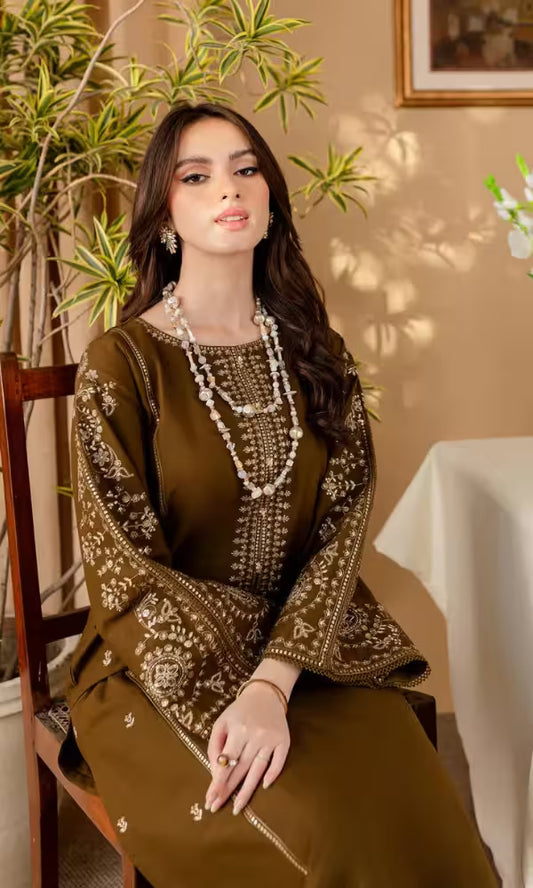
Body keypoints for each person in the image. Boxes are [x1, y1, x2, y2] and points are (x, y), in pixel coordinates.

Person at [58, 102, 499, 887]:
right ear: (166, 211)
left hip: (302, 656)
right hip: (154, 665)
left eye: (245, 168)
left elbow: (338, 534)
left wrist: (272, 682)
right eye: (197, 175)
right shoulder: (120, 366)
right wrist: (243, 688)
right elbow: (125, 573)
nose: (227, 187)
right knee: (313, 834)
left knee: (418, 811)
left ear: (269, 202)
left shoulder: (315, 353)